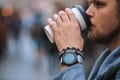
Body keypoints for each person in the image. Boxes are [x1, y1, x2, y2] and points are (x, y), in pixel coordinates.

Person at [47, 0, 120, 80]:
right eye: (90, 4)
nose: (88, 12)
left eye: (99, 4)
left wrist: (70, 53)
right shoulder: (105, 61)